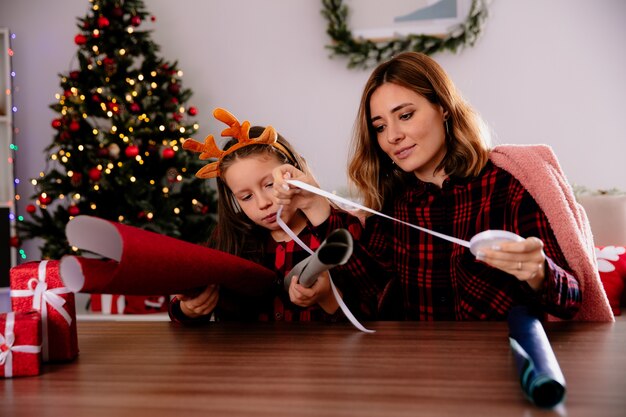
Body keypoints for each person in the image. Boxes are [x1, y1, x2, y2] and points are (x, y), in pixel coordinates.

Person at [341, 51, 613, 321]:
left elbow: (573, 300)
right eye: (379, 127)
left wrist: (539, 272)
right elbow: (364, 297)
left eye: (406, 115)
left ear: (443, 107)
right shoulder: (392, 205)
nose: (392, 136)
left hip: (502, 360)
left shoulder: (509, 184)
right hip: (419, 361)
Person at [168, 108, 364, 323]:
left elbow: (370, 308)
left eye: (270, 185)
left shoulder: (338, 228)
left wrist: (328, 297)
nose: (263, 203)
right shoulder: (229, 240)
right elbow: (183, 312)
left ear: (294, 172)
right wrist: (188, 310)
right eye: (246, 197)